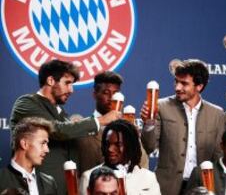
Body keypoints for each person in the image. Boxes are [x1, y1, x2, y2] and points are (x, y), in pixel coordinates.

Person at [10, 60, 121, 195]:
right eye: (67, 83)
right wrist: (101, 120)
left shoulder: (63, 115)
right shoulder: (26, 103)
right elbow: (57, 130)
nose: (71, 90)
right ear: (50, 80)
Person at [140, 59, 225, 195]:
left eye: (184, 83)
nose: (177, 88)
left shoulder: (217, 114)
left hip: (203, 187)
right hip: (166, 187)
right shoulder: (160, 106)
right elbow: (149, 147)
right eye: (176, 81)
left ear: (199, 86)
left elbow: (219, 155)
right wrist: (149, 123)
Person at [77, 71, 149, 175]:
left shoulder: (129, 129)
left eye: (116, 93)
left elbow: (142, 164)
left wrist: (133, 138)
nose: (112, 98)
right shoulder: (83, 128)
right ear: (95, 94)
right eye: (106, 93)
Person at [79, 119, 161, 195]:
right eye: (107, 144)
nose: (110, 149)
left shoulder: (148, 178)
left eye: (117, 144)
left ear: (130, 147)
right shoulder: (88, 177)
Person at [0, 117, 58, 194]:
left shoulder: (49, 183)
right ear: (24, 144)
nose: (47, 150)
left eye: (47, 144)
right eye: (43, 143)